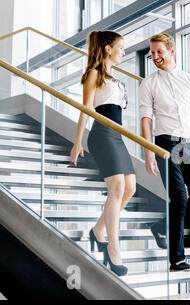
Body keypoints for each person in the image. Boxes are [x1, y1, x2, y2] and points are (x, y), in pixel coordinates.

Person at [138, 32, 190, 271]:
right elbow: (146, 121)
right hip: (165, 144)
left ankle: (161, 227)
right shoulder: (149, 83)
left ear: (172, 51)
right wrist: (148, 152)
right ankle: (176, 259)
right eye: (152, 53)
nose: (155, 57)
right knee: (179, 198)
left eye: (159, 52)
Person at [70, 30, 136, 277]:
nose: (124, 51)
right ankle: (113, 248)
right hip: (101, 135)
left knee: (130, 188)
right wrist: (78, 142)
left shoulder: (113, 76)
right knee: (117, 187)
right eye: (121, 47)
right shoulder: (94, 74)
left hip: (116, 136)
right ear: (108, 48)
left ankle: (98, 229)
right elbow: (85, 109)